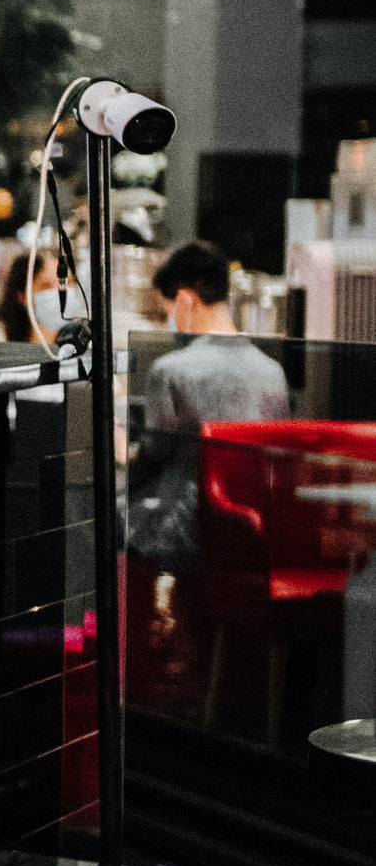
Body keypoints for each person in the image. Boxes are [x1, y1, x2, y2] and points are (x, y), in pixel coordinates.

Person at [126, 239, 289, 717]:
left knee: (109, 522)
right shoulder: (272, 371)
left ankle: (142, 691)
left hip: (184, 532)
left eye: (168, 311)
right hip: (253, 533)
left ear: (185, 299)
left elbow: (152, 456)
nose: (170, 321)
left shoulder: (172, 369)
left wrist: (123, 448)